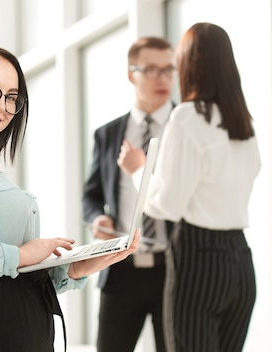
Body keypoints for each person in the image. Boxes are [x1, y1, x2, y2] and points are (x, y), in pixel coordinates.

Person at [0, 42, 140, 352]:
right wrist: (20, 255)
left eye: (11, 97)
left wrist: (74, 269)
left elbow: (12, 275)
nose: (1, 106)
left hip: (19, 321)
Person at [118, 23, 260, 352]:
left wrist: (140, 170)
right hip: (240, 260)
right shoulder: (244, 123)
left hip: (199, 259)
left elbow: (167, 205)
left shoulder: (187, 117)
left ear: (188, 64)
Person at [82, 36, 175, 352]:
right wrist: (97, 219)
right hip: (121, 269)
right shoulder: (108, 134)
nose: (162, 78)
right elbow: (91, 195)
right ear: (130, 73)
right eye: (151, 69)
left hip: (175, 269)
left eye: (168, 69)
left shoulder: (185, 127)